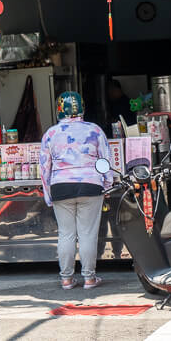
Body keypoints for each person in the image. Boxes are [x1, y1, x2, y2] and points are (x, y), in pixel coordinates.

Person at [39, 91, 114, 290]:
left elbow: (44, 167)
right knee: (88, 234)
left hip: (61, 187)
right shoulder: (95, 130)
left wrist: (48, 194)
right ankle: (89, 278)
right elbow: (105, 161)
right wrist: (106, 184)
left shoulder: (51, 134)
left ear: (59, 110)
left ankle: (66, 279)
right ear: (82, 109)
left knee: (66, 234)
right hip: (90, 185)